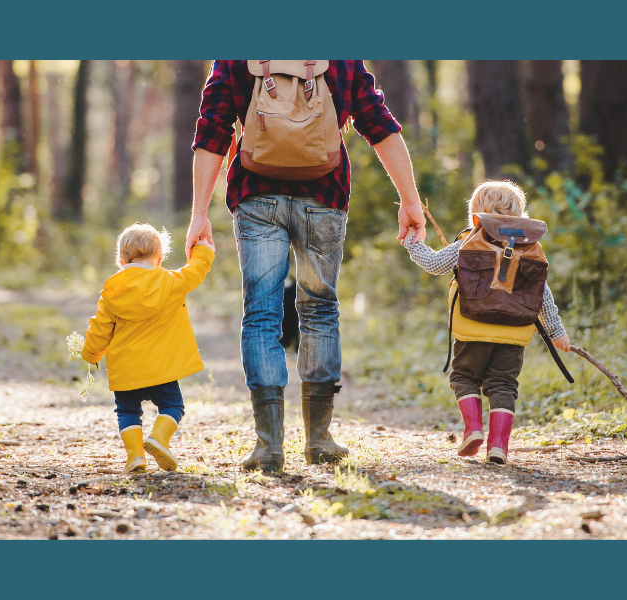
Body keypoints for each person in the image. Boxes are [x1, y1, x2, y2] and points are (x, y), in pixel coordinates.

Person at [185, 60, 427, 472]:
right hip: (324, 196)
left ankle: (268, 446)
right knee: (319, 308)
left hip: (256, 197)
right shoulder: (342, 56)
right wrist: (410, 200)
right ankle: (319, 439)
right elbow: (379, 124)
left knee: (261, 314)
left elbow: (212, 129)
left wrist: (199, 213)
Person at [402, 181, 570, 464]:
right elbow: (542, 293)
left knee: (464, 377)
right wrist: (556, 332)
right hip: (514, 333)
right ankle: (498, 447)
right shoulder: (529, 247)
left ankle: (473, 429)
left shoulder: (469, 241)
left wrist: (411, 242)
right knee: (504, 385)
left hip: (473, 328)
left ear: (476, 214)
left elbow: (433, 265)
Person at [81, 223, 215, 473]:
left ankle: (135, 457)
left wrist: (91, 353)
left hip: (126, 369)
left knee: (128, 411)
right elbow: (195, 271)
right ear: (159, 259)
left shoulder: (112, 291)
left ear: (120, 260)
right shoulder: (170, 282)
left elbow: (100, 328)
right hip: (161, 369)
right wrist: (204, 250)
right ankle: (159, 439)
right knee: (173, 406)